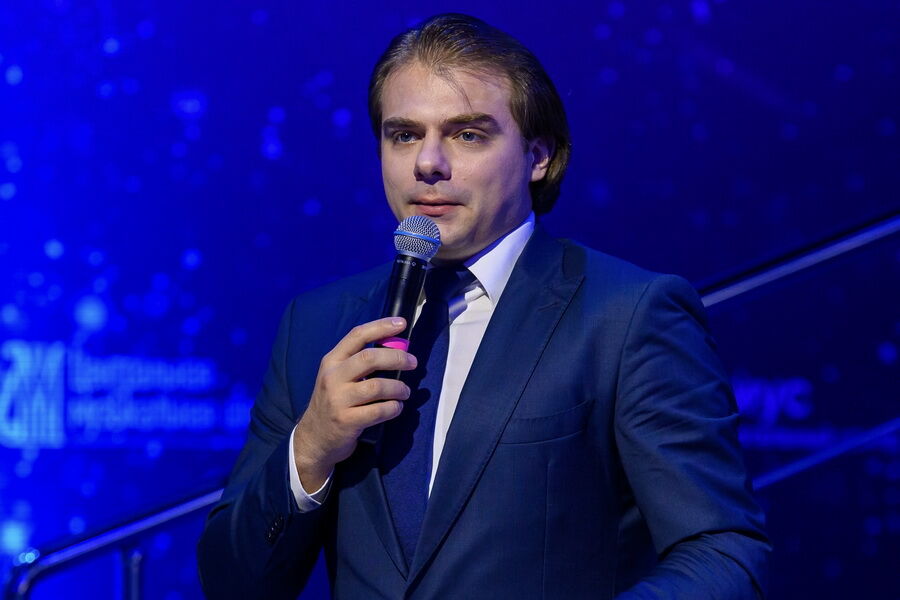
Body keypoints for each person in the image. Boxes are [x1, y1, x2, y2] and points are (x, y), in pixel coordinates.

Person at [197, 13, 769, 599]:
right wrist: (312, 446)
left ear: (538, 155)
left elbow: (723, 554)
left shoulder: (626, 315)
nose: (428, 163)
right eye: (404, 135)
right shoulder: (316, 324)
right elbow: (231, 585)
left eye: (467, 135)